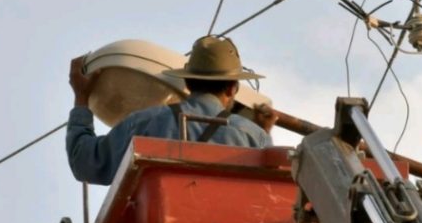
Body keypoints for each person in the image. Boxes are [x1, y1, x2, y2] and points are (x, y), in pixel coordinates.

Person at [66, 35, 278, 185]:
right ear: (233, 88)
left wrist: (81, 97)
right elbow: (264, 189)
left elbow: (85, 163)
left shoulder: (144, 122)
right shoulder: (253, 136)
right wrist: (263, 133)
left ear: (186, 81)